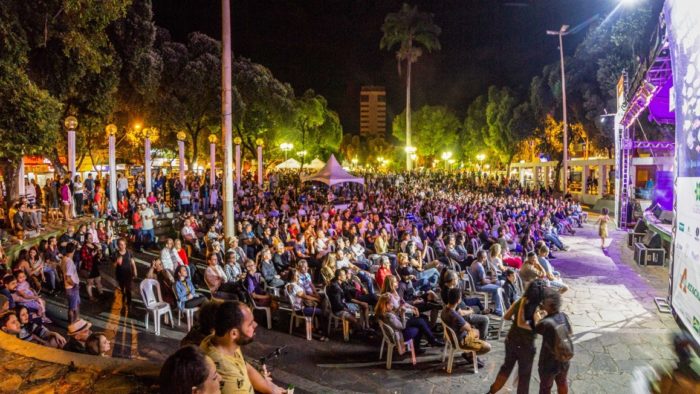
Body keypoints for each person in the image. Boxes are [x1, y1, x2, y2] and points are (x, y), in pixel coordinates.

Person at [200, 301, 286, 394]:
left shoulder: (222, 341)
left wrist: (270, 388)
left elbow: (246, 367)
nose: (255, 324)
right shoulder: (227, 373)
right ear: (234, 333)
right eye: (250, 324)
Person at [488, 280, 548, 394]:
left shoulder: (520, 301)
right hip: (526, 346)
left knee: (505, 369)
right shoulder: (535, 307)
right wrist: (537, 321)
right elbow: (527, 324)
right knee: (524, 377)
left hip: (511, 340)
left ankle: (492, 391)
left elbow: (506, 316)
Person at [441, 287, 492, 368]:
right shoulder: (455, 316)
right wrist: (466, 325)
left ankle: (472, 354)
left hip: (453, 337)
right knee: (488, 347)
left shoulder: (444, 310)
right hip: (462, 341)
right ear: (458, 300)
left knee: (476, 331)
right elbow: (468, 328)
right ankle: (469, 354)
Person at [535, 288, 572, 394]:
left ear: (549, 305)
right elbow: (570, 332)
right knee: (562, 382)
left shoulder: (545, 322)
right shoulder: (563, 316)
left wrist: (537, 316)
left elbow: (536, 327)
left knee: (545, 388)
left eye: (543, 302)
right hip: (564, 358)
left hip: (548, 361)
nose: (541, 304)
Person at [114, 239, 137, 309]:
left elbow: (133, 262)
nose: (122, 246)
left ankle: (129, 303)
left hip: (128, 273)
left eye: (124, 244)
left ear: (125, 245)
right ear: (118, 245)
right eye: (120, 244)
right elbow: (113, 265)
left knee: (128, 289)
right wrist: (117, 262)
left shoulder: (129, 252)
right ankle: (123, 302)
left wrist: (135, 271)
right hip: (120, 274)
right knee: (122, 289)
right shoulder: (115, 253)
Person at [61, 243, 80, 323]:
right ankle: (71, 324)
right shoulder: (68, 261)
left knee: (76, 305)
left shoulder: (64, 258)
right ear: (74, 250)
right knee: (72, 308)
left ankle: (76, 320)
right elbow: (68, 278)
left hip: (70, 287)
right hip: (71, 287)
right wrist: (75, 285)